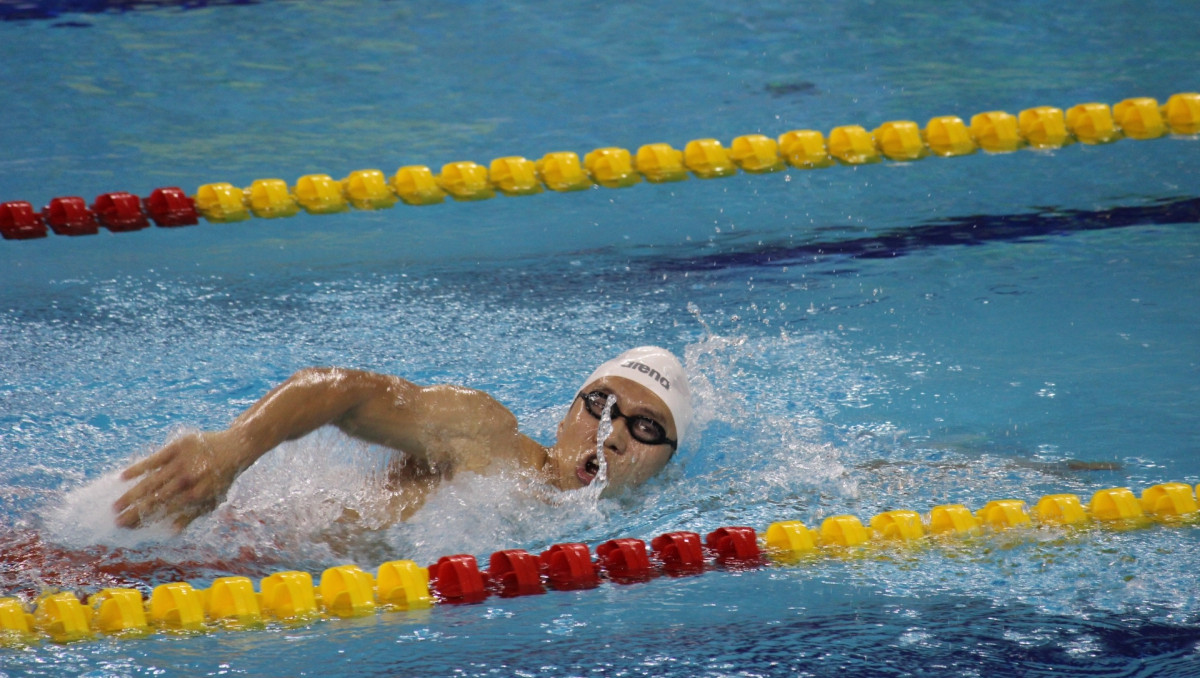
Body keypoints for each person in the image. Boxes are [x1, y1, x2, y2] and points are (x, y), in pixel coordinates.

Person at [113, 346, 692, 531]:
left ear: (665, 463)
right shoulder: (485, 436)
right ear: (569, 413)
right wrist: (231, 449)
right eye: (601, 405)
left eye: (645, 428)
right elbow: (344, 392)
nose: (611, 434)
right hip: (222, 543)